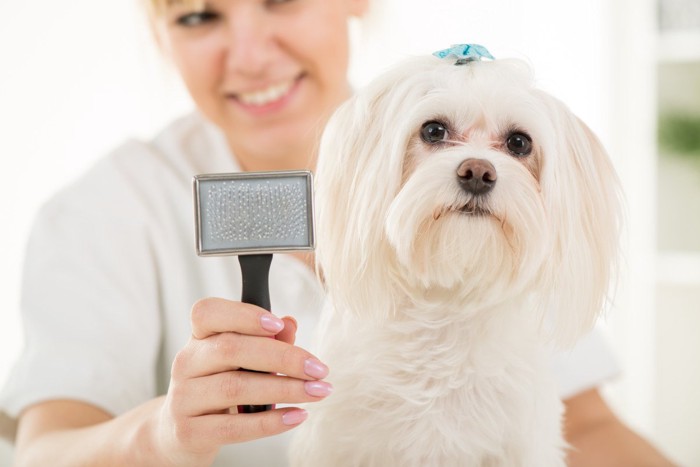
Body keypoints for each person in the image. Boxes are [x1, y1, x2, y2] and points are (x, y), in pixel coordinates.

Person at [0, 0, 675, 465]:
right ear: (163, 34)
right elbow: (44, 449)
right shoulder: (109, 209)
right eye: (199, 14)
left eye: (282, 0)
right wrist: (161, 430)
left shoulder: (501, 213)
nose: (250, 55)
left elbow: (584, 425)